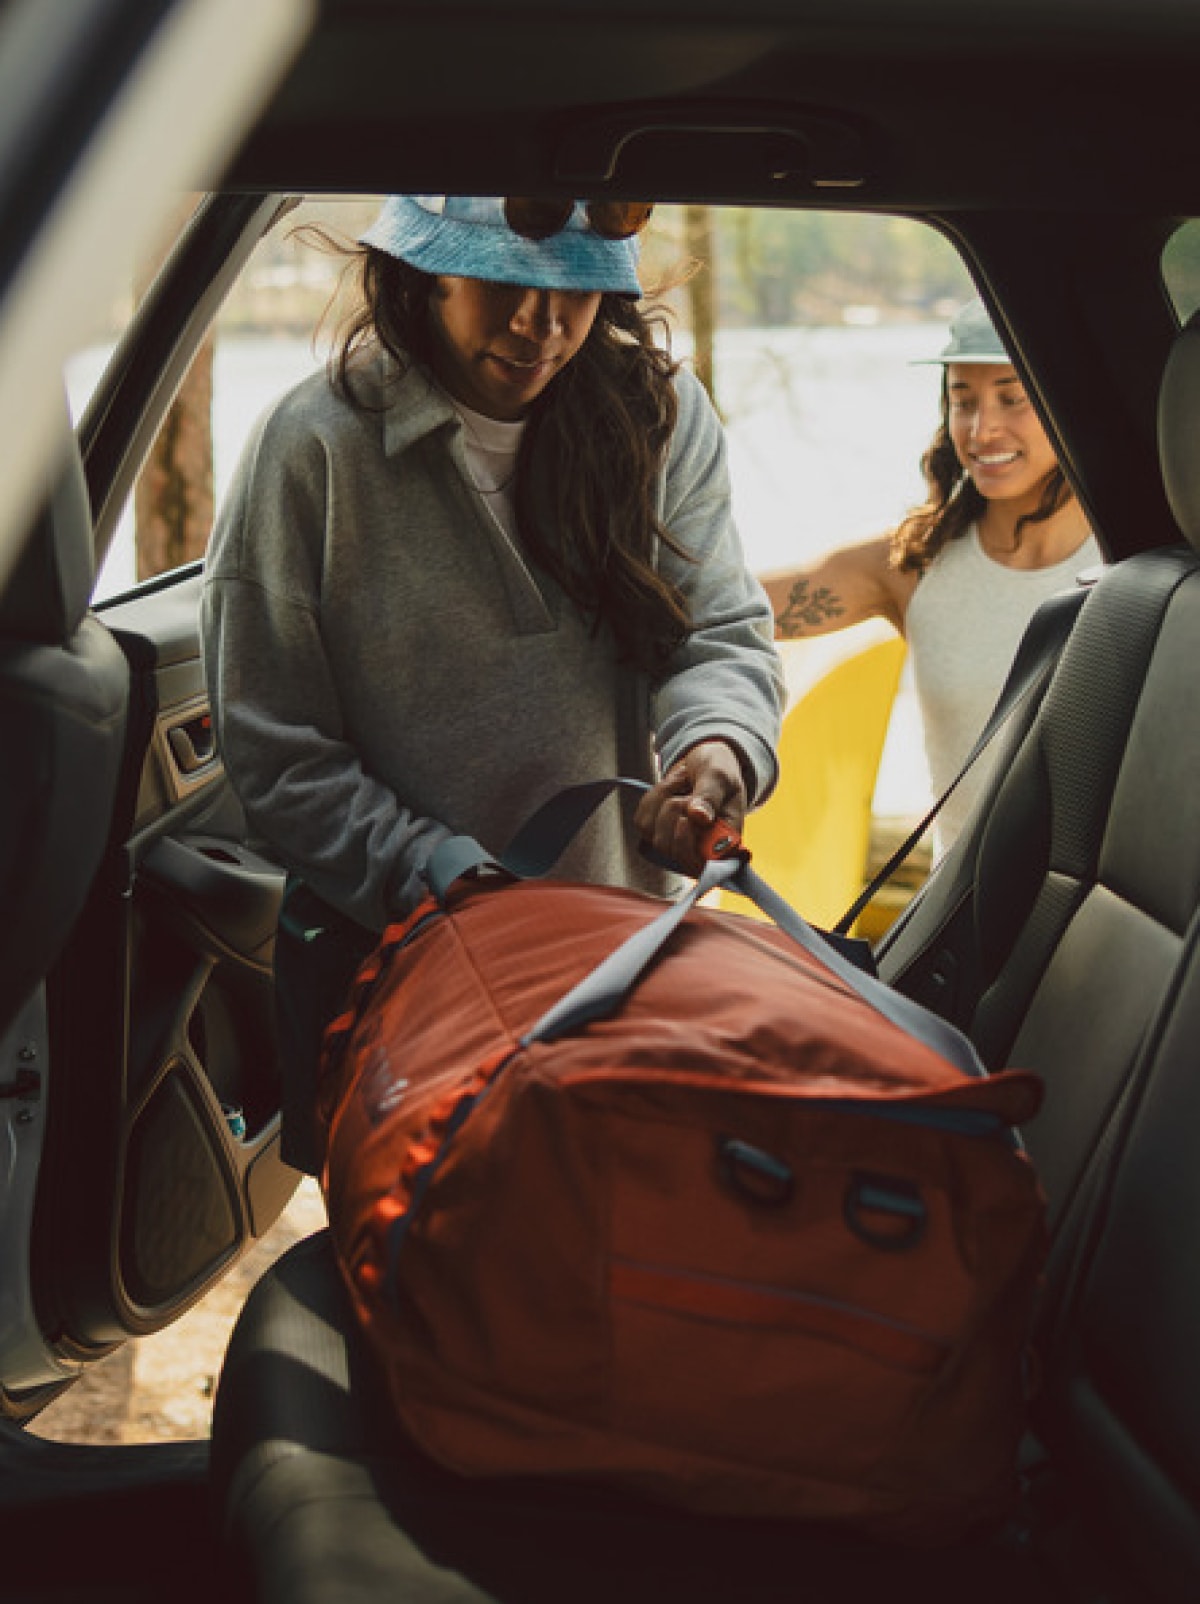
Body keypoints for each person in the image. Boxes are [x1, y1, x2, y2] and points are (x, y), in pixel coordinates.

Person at [201, 194, 784, 1169]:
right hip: (389, 973)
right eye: (507, 280)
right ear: (428, 270)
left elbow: (720, 633)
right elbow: (275, 745)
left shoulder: (665, 418)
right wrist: (438, 875)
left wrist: (717, 746)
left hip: (620, 957)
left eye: (577, 289)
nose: (540, 324)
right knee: (408, 1282)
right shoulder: (309, 446)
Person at [760, 297, 1100, 854]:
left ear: (1066, 400)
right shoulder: (914, 563)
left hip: (1102, 913)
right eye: (963, 401)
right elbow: (737, 606)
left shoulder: (1134, 565)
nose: (982, 428)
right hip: (963, 922)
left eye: (1011, 399)